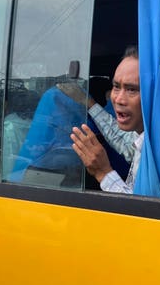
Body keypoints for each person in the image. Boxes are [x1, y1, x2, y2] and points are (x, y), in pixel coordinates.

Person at [58, 46, 142, 194]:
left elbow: (142, 214)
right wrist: (88, 103)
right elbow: (125, 142)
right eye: (116, 87)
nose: (119, 99)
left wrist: (103, 173)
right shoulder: (143, 139)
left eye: (132, 89)